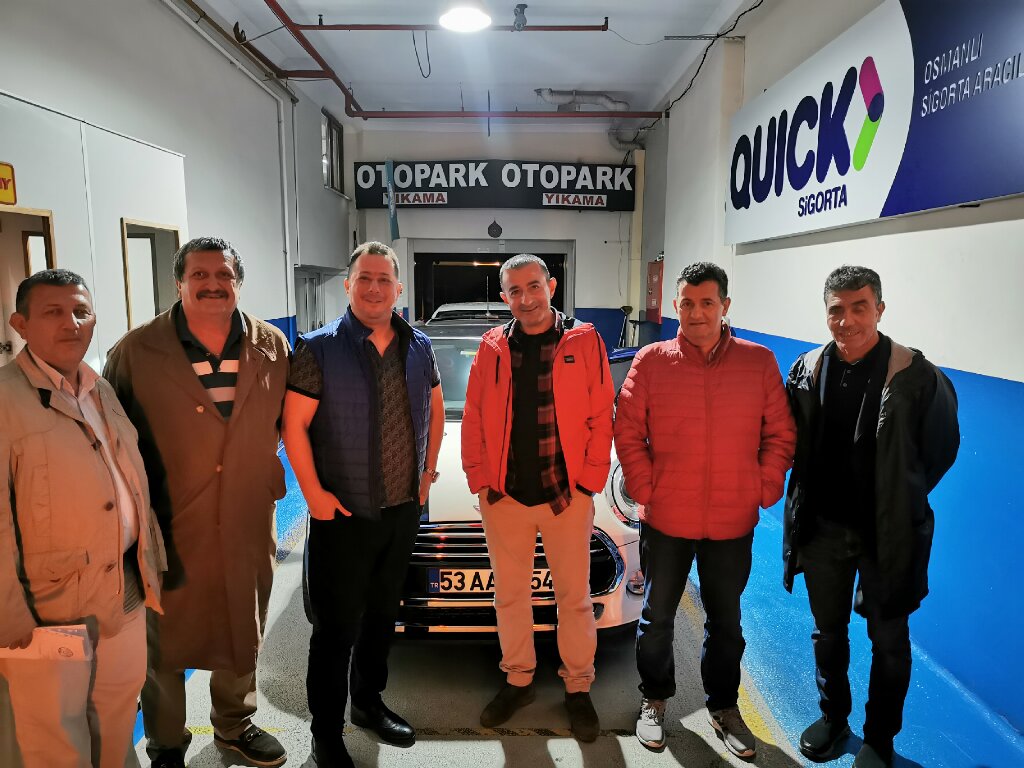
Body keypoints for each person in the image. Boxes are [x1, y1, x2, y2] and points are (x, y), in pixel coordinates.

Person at [104, 237, 291, 768]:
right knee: (163, 636)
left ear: (239, 282)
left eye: (224, 275)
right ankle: (166, 743)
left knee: (243, 623)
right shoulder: (136, 351)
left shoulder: (273, 345)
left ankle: (235, 724)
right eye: (200, 275)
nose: (213, 284)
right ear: (179, 283)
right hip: (167, 520)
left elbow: (287, 423)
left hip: (247, 515)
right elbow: (112, 435)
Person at [614, 261, 796, 758]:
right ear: (676, 306)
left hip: (731, 521)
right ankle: (654, 700)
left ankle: (724, 707)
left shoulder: (758, 362)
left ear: (725, 306)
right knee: (657, 619)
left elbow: (781, 433)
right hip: (667, 518)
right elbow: (627, 430)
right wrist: (646, 486)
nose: (697, 313)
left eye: (707, 303)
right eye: (688, 303)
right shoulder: (652, 360)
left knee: (727, 624)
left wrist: (762, 486)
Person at [783, 266, 959, 768]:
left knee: (889, 639)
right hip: (822, 529)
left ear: (879, 309)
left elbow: (941, 449)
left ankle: (880, 739)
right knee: (827, 632)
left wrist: (898, 499)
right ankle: (834, 718)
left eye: (859, 307)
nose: (847, 320)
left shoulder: (916, 375)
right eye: (836, 309)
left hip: (888, 534)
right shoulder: (806, 369)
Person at [281, 241, 444, 768]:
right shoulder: (318, 348)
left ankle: (368, 704)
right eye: (365, 278)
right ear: (348, 284)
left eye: (384, 280)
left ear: (399, 288)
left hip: (401, 513)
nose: (375, 288)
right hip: (343, 515)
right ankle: (325, 732)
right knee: (335, 630)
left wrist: (426, 477)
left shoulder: (419, 346)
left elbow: (435, 407)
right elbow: (293, 427)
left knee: (381, 618)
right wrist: (315, 496)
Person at [0, 269, 165, 767]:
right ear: (20, 324)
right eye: (53, 312)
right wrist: (11, 617)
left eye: (81, 311)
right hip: (48, 610)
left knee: (115, 721)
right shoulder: (5, 402)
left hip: (124, 593)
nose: (71, 323)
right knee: (56, 741)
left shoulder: (100, 390)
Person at [462, 254, 614, 743]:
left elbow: (601, 414)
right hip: (505, 497)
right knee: (510, 596)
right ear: (503, 296)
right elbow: (473, 415)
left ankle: (578, 688)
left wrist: (589, 483)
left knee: (574, 598)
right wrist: (480, 481)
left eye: (533, 287)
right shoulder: (492, 346)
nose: (525, 298)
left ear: (551, 286)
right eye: (514, 290)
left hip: (566, 497)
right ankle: (519, 681)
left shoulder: (583, 340)